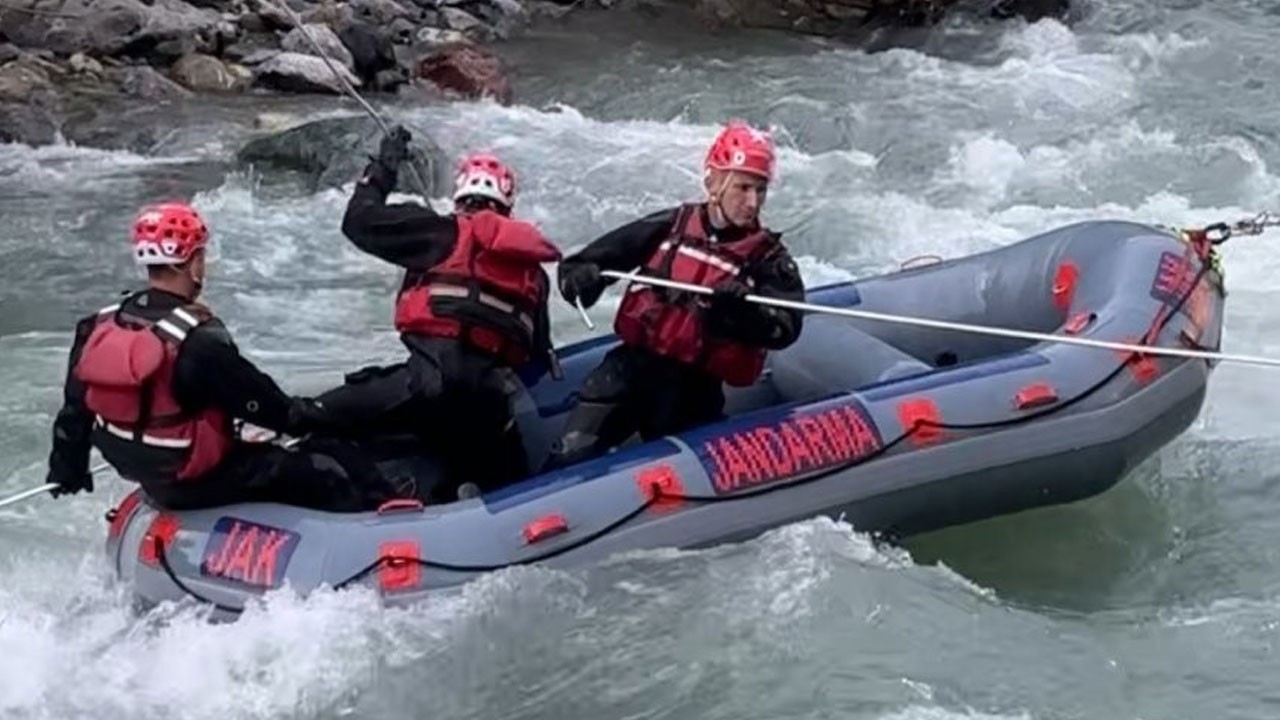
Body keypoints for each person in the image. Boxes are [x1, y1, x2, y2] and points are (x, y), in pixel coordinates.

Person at [45, 202, 401, 512]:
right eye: (202, 254)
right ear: (193, 262)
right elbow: (277, 410)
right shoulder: (199, 341)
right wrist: (329, 420)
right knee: (326, 469)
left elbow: (74, 415)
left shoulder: (98, 326)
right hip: (197, 481)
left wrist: (68, 469)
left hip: (147, 474)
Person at [545, 120, 806, 469]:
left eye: (760, 191)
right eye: (743, 188)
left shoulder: (768, 259)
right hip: (629, 371)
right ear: (715, 181)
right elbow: (581, 266)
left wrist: (740, 314)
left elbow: (786, 327)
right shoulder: (670, 226)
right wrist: (582, 279)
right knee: (571, 456)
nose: (752, 201)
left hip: (692, 391)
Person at [334, 125, 562, 500]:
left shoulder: (439, 233)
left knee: (310, 414)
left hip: (426, 393)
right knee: (504, 478)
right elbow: (535, 353)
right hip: (488, 415)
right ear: (507, 209)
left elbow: (358, 221)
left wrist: (383, 169)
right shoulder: (534, 275)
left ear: (459, 200)